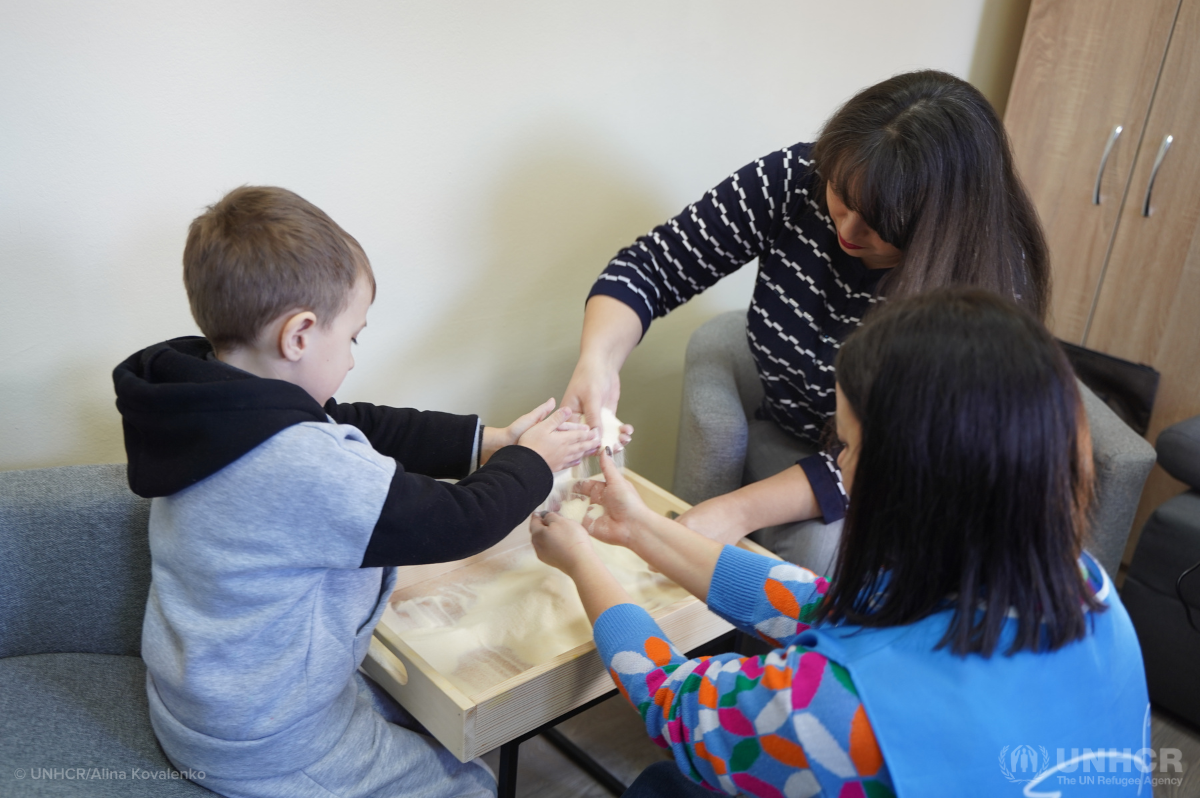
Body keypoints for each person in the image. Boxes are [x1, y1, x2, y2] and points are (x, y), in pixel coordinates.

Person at [533, 289, 1149, 797]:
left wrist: (581, 559)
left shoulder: (835, 713)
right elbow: (827, 604)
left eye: (848, 446)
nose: (840, 465)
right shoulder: (1086, 588)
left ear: (910, 479)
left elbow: (674, 704)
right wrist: (641, 527)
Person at [112, 186, 598, 798]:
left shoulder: (207, 401)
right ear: (300, 335)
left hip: (201, 702)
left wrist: (491, 442)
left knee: (424, 718)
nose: (350, 359)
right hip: (269, 743)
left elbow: (356, 422)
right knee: (472, 785)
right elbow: (458, 521)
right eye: (353, 338)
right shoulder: (297, 463)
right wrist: (534, 462)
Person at [561, 70, 1049, 572]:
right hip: (803, 420)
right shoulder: (799, 175)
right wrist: (598, 362)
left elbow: (892, 454)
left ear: (937, 228)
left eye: (880, 223)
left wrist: (735, 511)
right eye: (841, 197)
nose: (848, 230)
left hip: (897, 472)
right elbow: (652, 267)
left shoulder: (983, 284)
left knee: (815, 554)